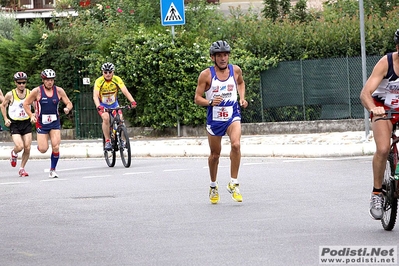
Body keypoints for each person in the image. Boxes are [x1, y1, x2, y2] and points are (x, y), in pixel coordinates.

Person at [194, 40, 248, 204]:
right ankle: (213, 185)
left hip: (232, 114)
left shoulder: (235, 70)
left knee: (236, 145)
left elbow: (240, 83)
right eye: (219, 55)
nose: (223, 58)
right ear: (213, 57)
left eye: (225, 55)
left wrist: (242, 98)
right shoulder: (206, 75)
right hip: (215, 117)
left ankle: (233, 183)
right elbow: (197, 98)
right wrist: (210, 102)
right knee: (215, 155)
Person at [360, 29, 399, 220]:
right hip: (383, 108)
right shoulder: (387, 62)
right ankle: (377, 193)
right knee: (383, 149)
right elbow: (365, 93)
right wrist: (374, 109)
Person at [23, 69, 73, 178]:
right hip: (41, 123)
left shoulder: (59, 91)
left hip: (54, 122)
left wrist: (67, 108)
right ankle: (40, 146)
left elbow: (69, 102)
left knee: (56, 146)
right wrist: (31, 115)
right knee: (43, 149)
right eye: (47, 80)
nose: (49, 82)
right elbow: (26, 104)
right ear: (43, 80)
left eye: (51, 80)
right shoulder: (37, 91)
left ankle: (53, 169)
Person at [93, 62, 137, 151]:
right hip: (103, 105)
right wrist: (98, 106)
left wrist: (132, 101)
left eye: (110, 72)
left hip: (114, 104)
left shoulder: (117, 79)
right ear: (102, 72)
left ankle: (122, 140)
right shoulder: (99, 81)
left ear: (113, 72)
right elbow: (95, 95)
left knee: (120, 118)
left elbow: (125, 91)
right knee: (105, 118)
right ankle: (108, 141)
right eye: (105, 72)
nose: (108, 74)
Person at [0, 72, 33, 177]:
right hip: (15, 123)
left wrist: (34, 115)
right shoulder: (10, 94)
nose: (22, 85)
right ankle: (14, 153)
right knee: (19, 146)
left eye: (23, 82)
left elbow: (36, 105)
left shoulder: (30, 93)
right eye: (19, 83)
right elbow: (3, 105)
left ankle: (22, 168)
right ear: (15, 83)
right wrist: (5, 119)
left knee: (27, 147)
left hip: (26, 122)